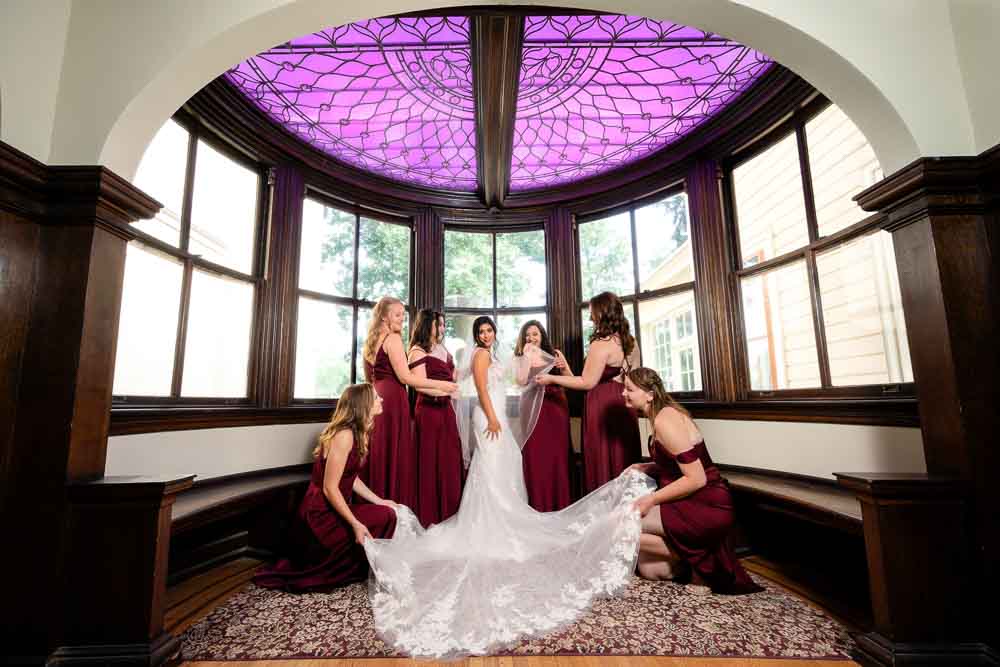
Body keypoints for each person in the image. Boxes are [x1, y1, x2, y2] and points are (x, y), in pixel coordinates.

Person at [363, 315, 655, 659]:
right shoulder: (480, 355)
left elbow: (505, 380)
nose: (487, 334)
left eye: (490, 330)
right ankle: (491, 520)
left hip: (496, 411)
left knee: (503, 467)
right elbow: (483, 389)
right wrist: (490, 417)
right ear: (476, 336)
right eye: (482, 331)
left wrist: (542, 364)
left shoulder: (495, 355)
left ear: (495, 334)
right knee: (491, 467)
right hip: (490, 415)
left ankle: (506, 514)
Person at [622, 367, 762, 595]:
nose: (623, 394)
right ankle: (694, 558)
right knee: (652, 570)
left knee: (622, 525)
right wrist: (646, 466)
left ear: (650, 394)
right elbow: (674, 464)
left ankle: (705, 559)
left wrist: (651, 499)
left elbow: (697, 478)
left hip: (705, 502)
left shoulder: (665, 420)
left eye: (629, 389)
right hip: (690, 497)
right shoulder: (659, 414)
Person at [253, 383, 398, 591]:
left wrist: (380, 500)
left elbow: (351, 478)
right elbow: (330, 488)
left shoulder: (360, 433)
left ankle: (354, 566)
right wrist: (355, 523)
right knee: (383, 517)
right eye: (376, 397)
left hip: (335, 506)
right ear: (362, 405)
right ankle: (335, 567)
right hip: (319, 515)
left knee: (387, 512)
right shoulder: (344, 435)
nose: (381, 400)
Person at [536, 291, 641, 492]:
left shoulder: (600, 344)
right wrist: (565, 366)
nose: (589, 316)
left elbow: (586, 382)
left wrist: (551, 378)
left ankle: (604, 507)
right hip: (624, 403)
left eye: (592, 312)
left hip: (602, 406)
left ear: (601, 313)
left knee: (602, 457)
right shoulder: (631, 341)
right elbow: (632, 377)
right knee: (623, 455)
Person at [362, 297, 457, 507]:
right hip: (393, 401)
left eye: (403, 315)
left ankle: (377, 505)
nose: (402, 320)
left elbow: (369, 379)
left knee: (381, 451)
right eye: (397, 315)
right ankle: (393, 511)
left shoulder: (370, 341)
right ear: (384, 316)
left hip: (375, 399)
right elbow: (406, 378)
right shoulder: (393, 339)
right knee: (394, 454)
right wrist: (442, 385)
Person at [408, 309, 463, 527]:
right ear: (426, 325)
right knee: (430, 462)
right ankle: (430, 516)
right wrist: (448, 391)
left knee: (449, 461)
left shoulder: (442, 348)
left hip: (446, 411)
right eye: (438, 324)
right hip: (429, 411)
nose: (442, 329)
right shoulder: (417, 351)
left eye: (443, 325)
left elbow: (452, 376)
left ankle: (450, 513)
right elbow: (421, 385)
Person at [514, 320, 572, 511]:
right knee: (536, 456)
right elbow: (521, 382)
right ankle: (538, 505)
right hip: (532, 412)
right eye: (527, 335)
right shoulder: (521, 357)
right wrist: (528, 359)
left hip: (555, 408)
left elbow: (571, 380)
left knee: (556, 457)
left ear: (542, 336)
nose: (531, 338)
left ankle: (560, 505)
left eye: (535, 334)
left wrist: (563, 366)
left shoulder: (555, 354)